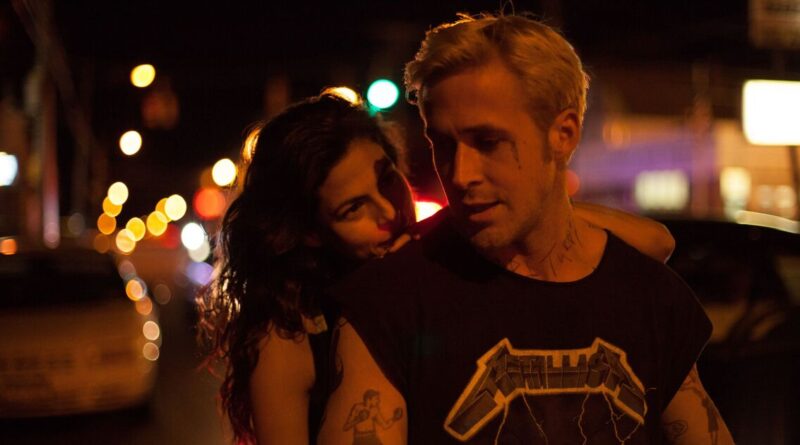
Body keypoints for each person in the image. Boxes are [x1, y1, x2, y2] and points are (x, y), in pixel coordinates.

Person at [318, 13, 734, 445]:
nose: (460, 174)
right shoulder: (389, 303)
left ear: (563, 134)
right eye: (443, 144)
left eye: (488, 142)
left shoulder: (649, 297)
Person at [198, 91, 676, 445]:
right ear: (309, 233)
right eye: (353, 208)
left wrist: (523, 210)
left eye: (387, 178)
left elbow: (657, 244)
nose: (389, 211)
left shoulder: (437, 252)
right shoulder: (288, 333)